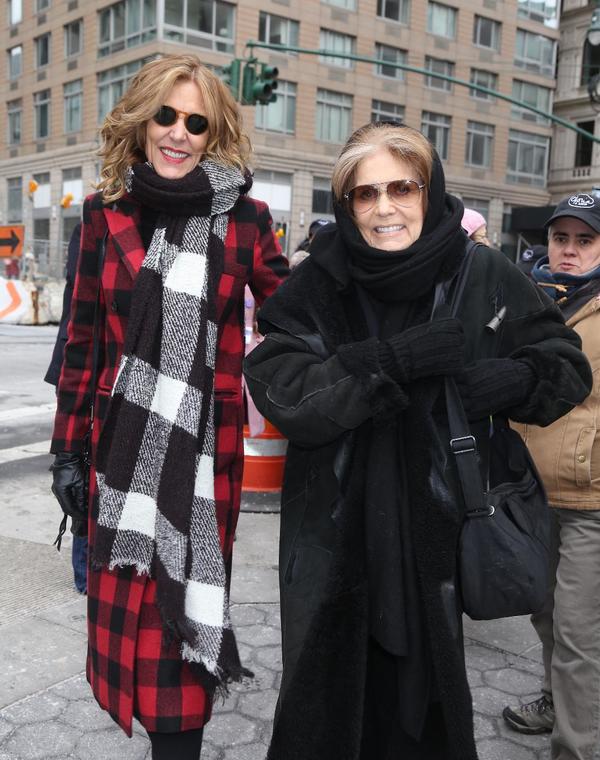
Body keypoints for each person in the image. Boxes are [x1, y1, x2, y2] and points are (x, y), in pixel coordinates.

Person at [243, 122, 592, 760]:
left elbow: (565, 363)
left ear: (428, 191)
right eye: (363, 193)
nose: (384, 208)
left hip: (439, 531)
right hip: (336, 529)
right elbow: (282, 389)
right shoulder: (321, 279)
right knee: (327, 702)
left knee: (421, 705)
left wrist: (509, 380)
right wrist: (386, 362)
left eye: (401, 187)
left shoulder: (478, 270)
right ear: (344, 204)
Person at [49, 54, 288, 760]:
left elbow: (295, 317)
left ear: (213, 134)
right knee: (130, 610)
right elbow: (83, 341)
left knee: (183, 611)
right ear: (141, 120)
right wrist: (66, 450)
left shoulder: (247, 219)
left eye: (196, 121)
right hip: (119, 450)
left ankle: (179, 738)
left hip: (204, 456)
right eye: (166, 116)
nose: (179, 132)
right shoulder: (103, 216)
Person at [503, 192, 600, 760]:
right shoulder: (529, 295)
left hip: (590, 497)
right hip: (532, 488)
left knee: (578, 636)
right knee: (544, 614)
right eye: (561, 238)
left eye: (584, 240)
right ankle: (552, 699)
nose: (568, 250)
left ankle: (577, 747)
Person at [45, 222, 88, 594]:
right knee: (82, 472)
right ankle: (86, 576)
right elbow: (80, 303)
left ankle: (87, 573)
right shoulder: (94, 223)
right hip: (84, 362)